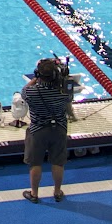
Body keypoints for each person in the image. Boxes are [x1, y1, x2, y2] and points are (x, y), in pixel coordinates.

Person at [22, 56, 73, 202]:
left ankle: (34, 194)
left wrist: (35, 80)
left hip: (38, 130)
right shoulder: (64, 91)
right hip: (59, 128)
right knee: (58, 162)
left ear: (38, 75)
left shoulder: (31, 93)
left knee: (35, 163)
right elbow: (69, 98)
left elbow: (24, 90)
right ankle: (57, 192)